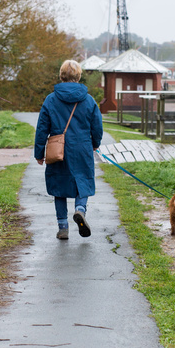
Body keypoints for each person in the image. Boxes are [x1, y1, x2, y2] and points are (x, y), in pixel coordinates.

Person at [35, 59, 103, 240]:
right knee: (82, 182)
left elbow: (42, 128)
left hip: (58, 149)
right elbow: (97, 126)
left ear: (61, 75)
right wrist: (95, 143)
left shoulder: (51, 99)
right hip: (82, 148)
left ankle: (63, 227)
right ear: (79, 76)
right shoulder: (88, 100)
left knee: (59, 186)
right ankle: (80, 210)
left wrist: (39, 152)